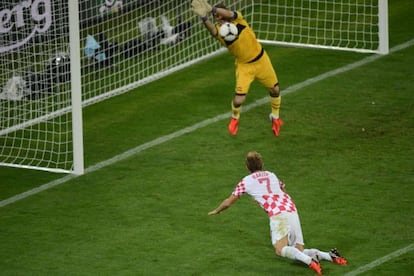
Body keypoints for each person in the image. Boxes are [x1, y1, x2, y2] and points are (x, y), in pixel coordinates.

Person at [208, 151, 348, 275]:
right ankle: (330, 256)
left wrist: (217, 210)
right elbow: (282, 188)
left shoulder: (246, 181)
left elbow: (228, 202)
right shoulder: (271, 175)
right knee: (297, 250)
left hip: (277, 213)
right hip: (291, 208)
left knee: (280, 249)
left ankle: (311, 262)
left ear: (247, 167)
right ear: (261, 164)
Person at [191, 0, 283, 136]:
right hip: (244, 67)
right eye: (216, 18)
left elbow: (229, 13)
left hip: (262, 60)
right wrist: (204, 18)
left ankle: (275, 118)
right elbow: (212, 30)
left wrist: (212, 9)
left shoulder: (239, 19)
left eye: (220, 16)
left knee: (275, 90)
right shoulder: (221, 32)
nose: (219, 19)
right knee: (238, 100)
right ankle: (235, 118)